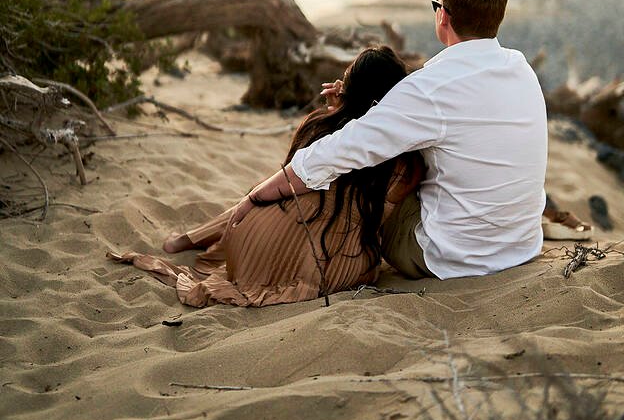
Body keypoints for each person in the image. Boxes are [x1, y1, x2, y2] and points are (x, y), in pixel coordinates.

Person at [228, 0, 555, 280]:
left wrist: (254, 197)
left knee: (369, 166)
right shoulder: (520, 68)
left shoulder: (429, 88)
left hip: (450, 258)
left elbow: (341, 151)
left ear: (443, 16)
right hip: (521, 245)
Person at [107, 46, 424, 307]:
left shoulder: (319, 126)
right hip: (325, 263)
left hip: (251, 238)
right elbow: (380, 220)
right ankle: (197, 237)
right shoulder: (405, 164)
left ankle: (191, 238)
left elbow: (291, 179)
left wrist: (334, 113)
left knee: (269, 190)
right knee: (356, 249)